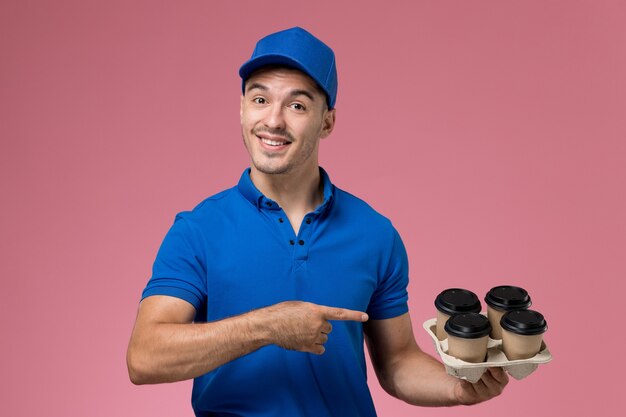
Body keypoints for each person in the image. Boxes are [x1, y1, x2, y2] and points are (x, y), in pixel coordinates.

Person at [127, 26, 508, 417]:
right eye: (260, 99)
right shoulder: (198, 230)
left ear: (327, 122)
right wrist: (268, 326)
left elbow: (397, 362)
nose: (273, 120)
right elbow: (144, 357)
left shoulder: (375, 234)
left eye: (297, 106)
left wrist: (457, 389)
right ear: (242, 109)